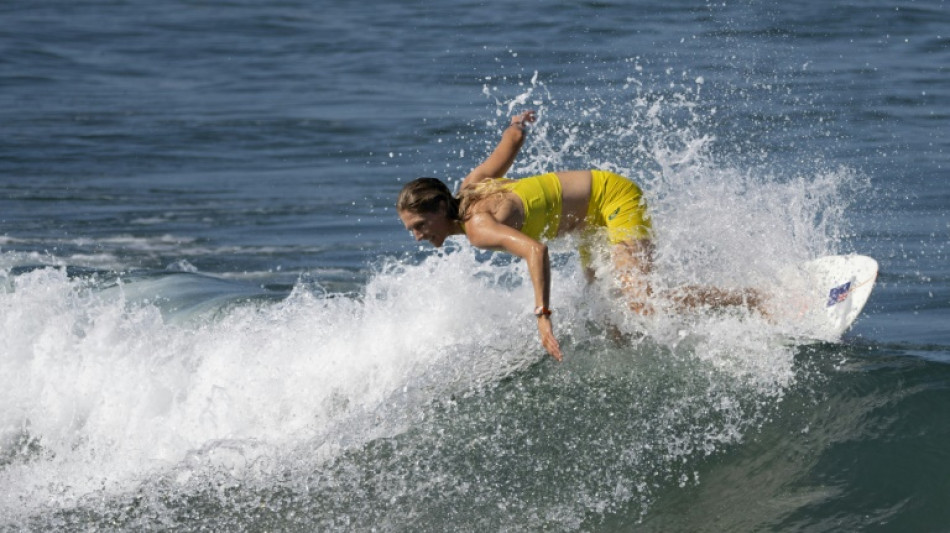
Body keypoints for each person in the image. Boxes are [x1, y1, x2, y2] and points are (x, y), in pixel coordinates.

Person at [397, 111, 760, 362]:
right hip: (589, 222)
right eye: (411, 229)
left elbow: (536, 251)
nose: (417, 237)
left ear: (441, 209)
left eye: (420, 226)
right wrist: (518, 124)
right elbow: (511, 143)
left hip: (611, 198)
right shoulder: (471, 186)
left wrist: (542, 316)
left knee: (640, 300)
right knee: (608, 312)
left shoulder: (479, 227)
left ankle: (752, 299)